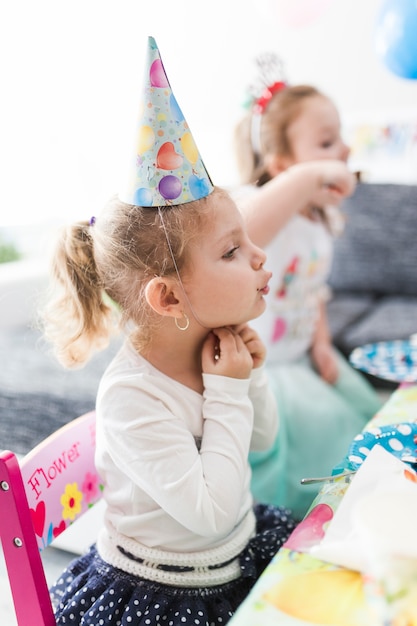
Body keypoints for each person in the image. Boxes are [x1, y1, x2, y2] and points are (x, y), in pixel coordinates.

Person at [41, 37, 296, 626]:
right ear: (170, 296)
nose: (259, 257)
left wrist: (251, 379)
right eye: (233, 250)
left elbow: (263, 441)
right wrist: (230, 392)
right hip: (167, 596)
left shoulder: (216, 341)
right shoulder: (133, 397)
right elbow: (210, 510)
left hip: (231, 557)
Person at [232, 61, 382, 521]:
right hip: (272, 370)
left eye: (340, 138)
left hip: (305, 355)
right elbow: (239, 235)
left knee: (369, 416)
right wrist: (304, 179)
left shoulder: (321, 220)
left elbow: (312, 292)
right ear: (282, 167)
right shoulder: (264, 217)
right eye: (324, 144)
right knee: (324, 443)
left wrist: (322, 345)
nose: (343, 149)